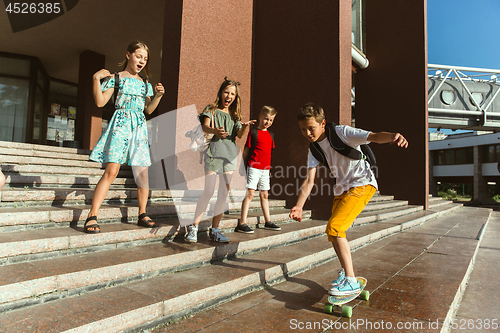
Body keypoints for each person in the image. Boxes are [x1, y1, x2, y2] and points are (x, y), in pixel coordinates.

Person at [289, 103, 408, 295]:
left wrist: (393, 136)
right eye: (303, 130)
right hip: (342, 189)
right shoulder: (313, 150)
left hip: (362, 183)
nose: (308, 133)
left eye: (311, 128)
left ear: (322, 123)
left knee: (335, 228)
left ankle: (351, 280)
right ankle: (346, 273)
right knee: (334, 233)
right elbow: (309, 181)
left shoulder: (341, 132)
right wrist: (299, 205)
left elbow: (374, 136)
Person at [84, 41, 164, 234]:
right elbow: (100, 101)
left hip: (139, 127)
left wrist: (159, 96)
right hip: (120, 125)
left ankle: (143, 213)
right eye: (139, 56)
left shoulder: (146, 84)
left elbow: (148, 109)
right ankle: (92, 215)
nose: (142, 61)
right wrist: (96, 79)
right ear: (128, 55)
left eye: (145, 58)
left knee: (143, 174)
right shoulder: (116, 78)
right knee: (111, 171)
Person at [185, 77, 255, 243]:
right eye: (226, 92)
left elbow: (238, 135)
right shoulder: (212, 109)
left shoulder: (235, 114)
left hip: (230, 155)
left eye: (232, 94)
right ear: (221, 92)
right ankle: (193, 227)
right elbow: (204, 127)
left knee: (223, 193)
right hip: (213, 153)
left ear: (235, 97)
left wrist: (244, 127)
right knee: (209, 191)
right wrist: (214, 131)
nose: (229, 96)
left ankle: (214, 230)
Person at [236, 106, 280, 233]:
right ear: (260, 117)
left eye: (271, 120)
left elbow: (269, 153)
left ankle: (268, 221)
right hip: (254, 167)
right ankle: (242, 223)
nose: (268, 122)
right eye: (266, 119)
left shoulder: (271, 135)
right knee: (250, 193)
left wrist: (269, 169)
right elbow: (247, 150)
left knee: (264, 194)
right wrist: (242, 166)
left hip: (265, 169)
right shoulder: (253, 133)